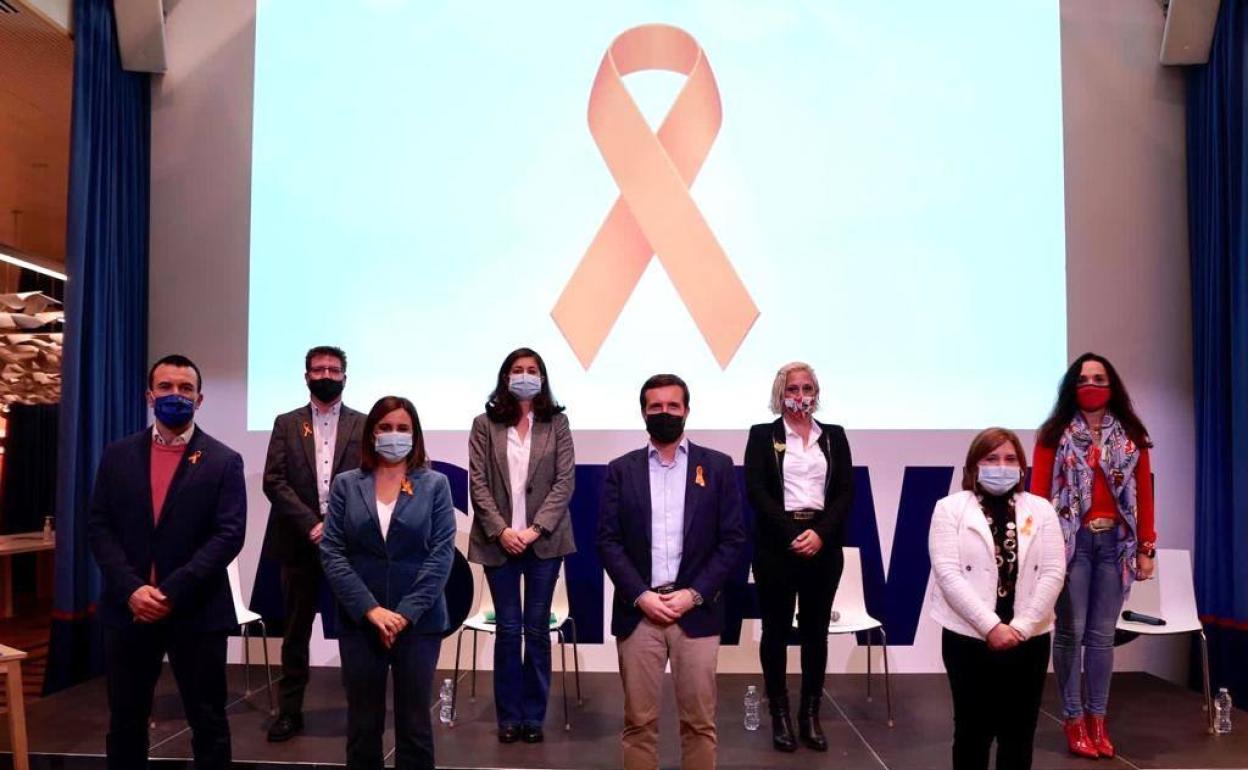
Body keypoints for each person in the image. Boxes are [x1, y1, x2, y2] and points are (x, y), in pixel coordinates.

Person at [87, 354, 246, 770]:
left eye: (185, 389)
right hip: (129, 610)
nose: (176, 395)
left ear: (200, 398)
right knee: (125, 721)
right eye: (166, 387)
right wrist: (132, 588)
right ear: (149, 395)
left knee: (208, 720)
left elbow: (228, 535)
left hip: (196, 610)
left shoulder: (223, 460)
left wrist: (172, 589)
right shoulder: (117, 455)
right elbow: (99, 526)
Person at [597, 374, 746, 770]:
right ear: (643, 413)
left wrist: (693, 594)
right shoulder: (620, 470)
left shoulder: (716, 467)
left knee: (699, 724)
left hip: (696, 613)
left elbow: (732, 540)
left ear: (687, 411)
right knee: (638, 723)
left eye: (673, 406)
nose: (664, 413)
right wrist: (641, 595)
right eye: (656, 407)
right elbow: (608, 541)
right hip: (639, 612)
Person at [320, 396, 456, 770]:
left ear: (415, 435)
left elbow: (442, 553)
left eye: (402, 429)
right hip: (360, 621)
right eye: (385, 427)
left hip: (419, 623)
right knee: (363, 725)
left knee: (415, 726)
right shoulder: (348, 484)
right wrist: (371, 610)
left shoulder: (436, 484)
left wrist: (404, 614)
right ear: (371, 433)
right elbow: (332, 551)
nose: (393, 435)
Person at [1032, 353, 1156, 759]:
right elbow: (1036, 497)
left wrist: (1146, 548)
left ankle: (1097, 720)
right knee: (1070, 632)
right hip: (1072, 544)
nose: (1091, 384)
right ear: (1072, 386)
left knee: (1102, 637)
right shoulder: (1054, 434)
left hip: (1115, 544)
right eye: (1084, 378)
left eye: (1099, 377)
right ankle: (1072, 718)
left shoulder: (1132, 435)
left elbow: (1144, 494)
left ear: (1112, 385)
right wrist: (1041, 551)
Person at [929, 427, 1065, 770]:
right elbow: (948, 574)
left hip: (1028, 638)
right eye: (991, 458)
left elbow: (1053, 572)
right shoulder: (949, 509)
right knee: (972, 732)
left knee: (1019, 735)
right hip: (968, 637)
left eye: (1009, 458)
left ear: (1022, 466)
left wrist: (1021, 626)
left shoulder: (1042, 509)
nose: (1001, 466)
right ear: (973, 466)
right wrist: (990, 626)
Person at [468, 347, 576, 744]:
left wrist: (533, 530)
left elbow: (565, 482)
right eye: (517, 370)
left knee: (536, 628)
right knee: (508, 630)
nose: (524, 375)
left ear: (542, 378)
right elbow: (477, 483)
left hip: (543, 542)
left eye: (532, 370)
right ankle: (508, 718)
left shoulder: (557, 423)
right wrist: (502, 530)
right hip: (499, 543)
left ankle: (534, 716)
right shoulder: (484, 424)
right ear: (505, 377)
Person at [744, 362, 853, 752]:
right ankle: (780, 713)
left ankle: (810, 713)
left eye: (807, 387)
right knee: (774, 632)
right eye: (793, 388)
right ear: (781, 393)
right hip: (778, 545)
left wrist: (820, 535)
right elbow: (756, 490)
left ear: (816, 393)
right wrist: (791, 534)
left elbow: (844, 492)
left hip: (823, 545)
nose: (801, 395)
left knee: (814, 633)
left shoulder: (834, 437)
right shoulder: (762, 436)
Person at [261, 345, 365, 742]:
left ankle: (360, 708)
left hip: (350, 546)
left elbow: (370, 480)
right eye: (318, 369)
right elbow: (274, 480)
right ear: (306, 376)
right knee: (295, 631)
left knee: (356, 630)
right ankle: (289, 711)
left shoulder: (364, 423)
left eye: (333, 369)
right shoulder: (286, 423)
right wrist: (311, 524)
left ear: (344, 376)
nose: (326, 375)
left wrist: (334, 526)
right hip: (298, 543)